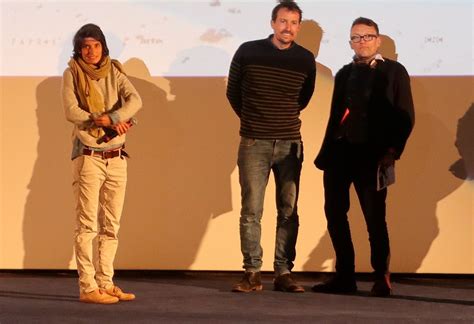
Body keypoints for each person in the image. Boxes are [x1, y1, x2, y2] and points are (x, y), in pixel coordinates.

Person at [312, 17, 414, 297]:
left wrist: (393, 151)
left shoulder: (394, 71)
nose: (362, 42)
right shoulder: (344, 73)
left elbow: (405, 115)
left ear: (378, 40)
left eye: (367, 37)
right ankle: (345, 276)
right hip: (339, 155)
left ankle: (381, 276)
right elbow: (336, 116)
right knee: (334, 214)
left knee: (374, 218)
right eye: (356, 38)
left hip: (373, 156)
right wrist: (327, 151)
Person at [226, 1, 316, 293]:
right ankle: (252, 272)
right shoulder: (248, 51)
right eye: (282, 21)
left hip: (290, 143)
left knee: (288, 210)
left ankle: (283, 272)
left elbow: (303, 98)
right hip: (254, 141)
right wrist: (256, 120)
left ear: (298, 27)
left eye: (293, 23)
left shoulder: (305, 58)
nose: (287, 27)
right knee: (251, 210)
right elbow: (233, 92)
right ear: (272, 23)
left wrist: (279, 120)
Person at [62, 23, 142, 304]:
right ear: (78, 49)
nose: (91, 51)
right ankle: (87, 287)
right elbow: (72, 111)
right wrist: (105, 119)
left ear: (103, 47)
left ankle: (106, 282)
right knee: (86, 226)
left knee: (111, 225)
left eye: (96, 45)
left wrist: (119, 118)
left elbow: (135, 100)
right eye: (85, 46)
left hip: (117, 157)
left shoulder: (114, 71)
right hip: (89, 157)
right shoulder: (71, 73)